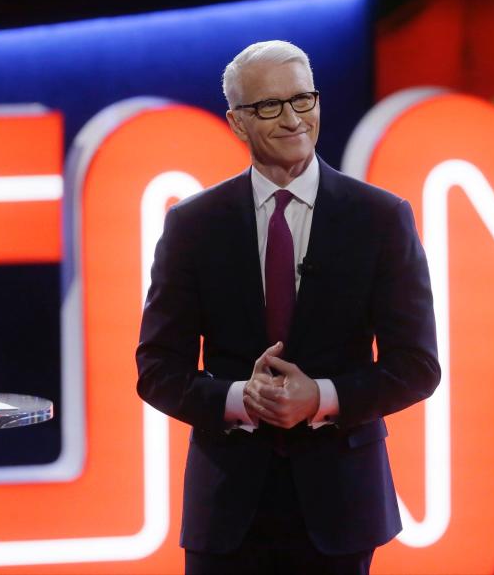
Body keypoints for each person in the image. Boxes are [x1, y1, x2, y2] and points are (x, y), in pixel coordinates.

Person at [136, 40, 439, 575]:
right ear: (236, 121)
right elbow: (158, 369)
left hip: (340, 507)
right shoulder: (193, 226)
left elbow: (416, 366)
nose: (292, 118)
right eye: (269, 106)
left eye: (303, 99)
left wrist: (320, 396)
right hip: (227, 509)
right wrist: (240, 399)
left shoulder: (381, 218)